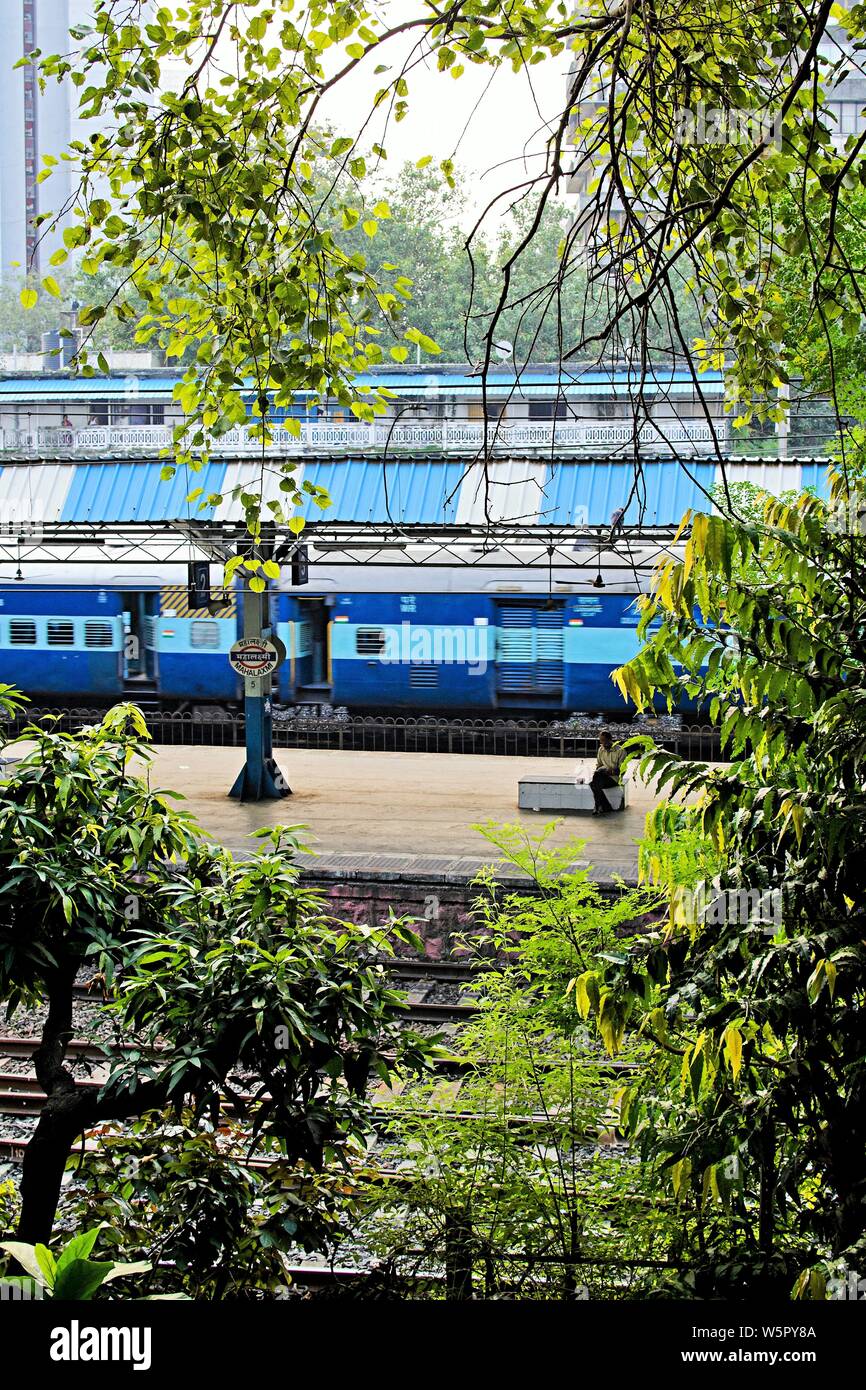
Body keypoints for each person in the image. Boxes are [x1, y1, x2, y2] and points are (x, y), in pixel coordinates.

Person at [591, 731, 626, 815]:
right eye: (601, 741)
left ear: (610, 740)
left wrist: (612, 771)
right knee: (596, 779)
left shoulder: (620, 751)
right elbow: (599, 764)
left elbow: (622, 770)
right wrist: (600, 769)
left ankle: (599, 806)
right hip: (602, 777)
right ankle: (603, 806)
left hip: (614, 778)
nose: (603, 743)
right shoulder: (601, 749)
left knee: (594, 784)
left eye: (605, 741)